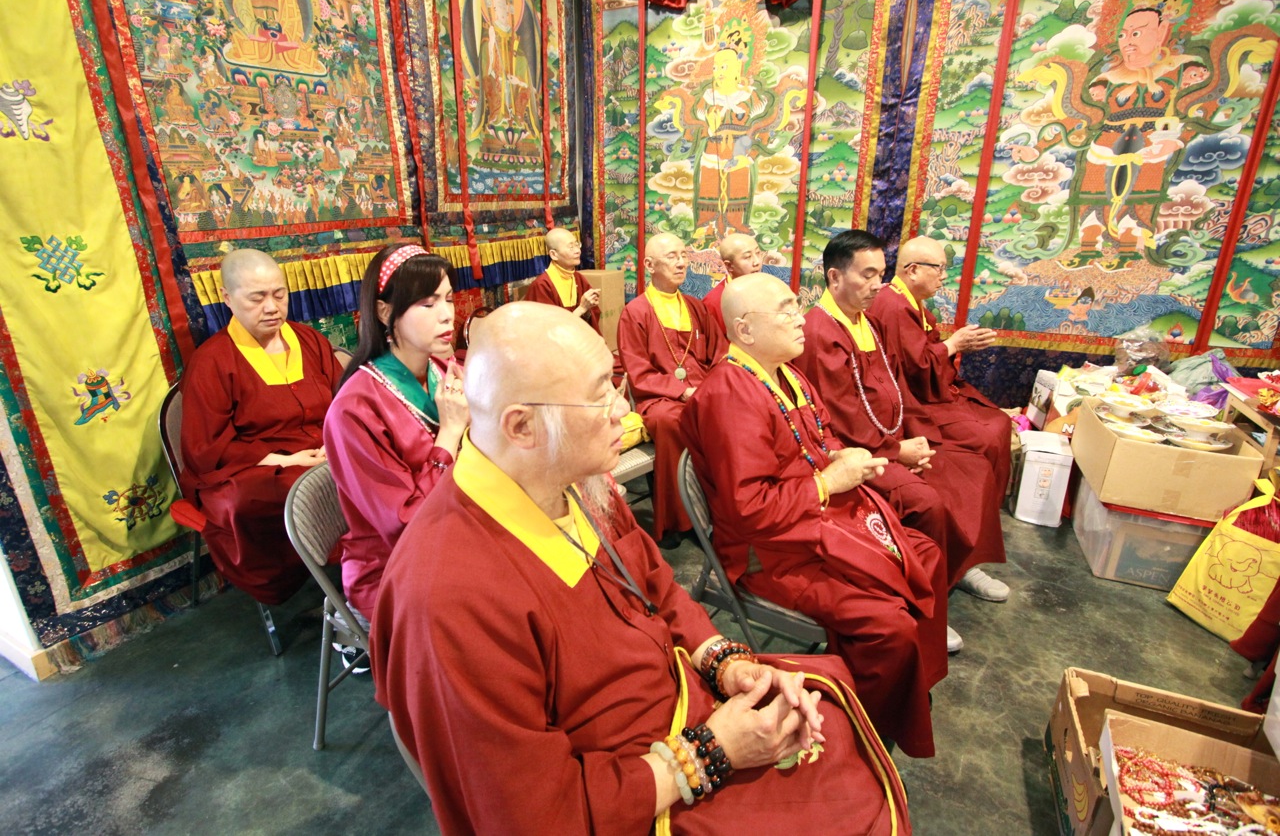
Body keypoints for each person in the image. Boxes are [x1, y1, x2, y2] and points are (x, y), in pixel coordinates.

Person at [370, 302, 912, 834]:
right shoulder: (447, 595)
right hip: (635, 784)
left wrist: (724, 664)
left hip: (678, 699)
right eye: (600, 395)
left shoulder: (569, 477)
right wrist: (711, 752)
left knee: (831, 719)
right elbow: (530, 814)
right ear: (522, 427)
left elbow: (657, 585)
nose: (623, 413)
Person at [681, 273, 948, 758]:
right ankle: (865, 733)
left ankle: (906, 691)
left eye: (796, 307)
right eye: (785, 310)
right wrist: (828, 483)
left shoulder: (786, 373)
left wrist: (844, 456)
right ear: (744, 330)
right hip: (771, 552)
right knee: (890, 626)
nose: (800, 319)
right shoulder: (729, 396)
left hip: (814, 520)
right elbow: (750, 509)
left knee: (924, 553)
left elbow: (821, 438)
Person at [794, 231, 1005, 654]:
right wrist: (897, 453)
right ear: (835, 277)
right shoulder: (822, 331)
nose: (878, 285)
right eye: (867, 275)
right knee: (928, 503)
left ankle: (957, 566)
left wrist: (912, 440)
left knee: (970, 464)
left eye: (881, 274)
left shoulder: (866, 320)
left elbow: (893, 386)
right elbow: (843, 416)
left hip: (889, 438)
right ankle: (923, 605)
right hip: (854, 452)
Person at [179, 249, 343, 605]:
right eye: (257, 298)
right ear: (226, 298)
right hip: (261, 467)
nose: (272, 307)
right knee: (270, 496)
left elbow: (344, 403)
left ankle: (367, 564)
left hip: (325, 449)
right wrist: (287, 460)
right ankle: (309, 578)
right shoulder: (212, 362)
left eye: (279, 294)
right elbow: (206, 448)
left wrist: (335, 443)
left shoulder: (310, 341)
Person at [323, 245, 469, 626]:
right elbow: (403, 525)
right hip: (396, 565)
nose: (447, 314)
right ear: (385, 312)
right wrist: (451, 433)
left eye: (449, 298)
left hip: (458, 528)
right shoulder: (354, 410)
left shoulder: (443, 369)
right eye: (428, 303)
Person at [870, 235, 1013, 603]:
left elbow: (916, 361)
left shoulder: (909, 303)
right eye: (939, 268)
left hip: (922, 394)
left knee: (997, 426)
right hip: (910, 404)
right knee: (980, 445)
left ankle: (965, 560)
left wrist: (952, 347)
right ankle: (956, 562)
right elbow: (914, 369)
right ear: (912, 270)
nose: (944, 276)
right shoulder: (891, 305)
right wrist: (953, 345)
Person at [617, 232, 726, 544]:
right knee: (672, 422)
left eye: (684, 255)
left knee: (731, 414)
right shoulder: (636, 312)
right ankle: (681, 522)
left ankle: (722, 511)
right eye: (672, 257)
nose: (681, 263)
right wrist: (682, 391)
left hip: (702, 390)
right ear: (650, 265)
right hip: (660, 398)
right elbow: (639, 371)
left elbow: (719, 355)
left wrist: (714, 388)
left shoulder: (695, 307)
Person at [523, 227, 602, 331]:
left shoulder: (579, 278)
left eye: (577, 244)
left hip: (579, 337)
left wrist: (588, 309)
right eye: (570, 247)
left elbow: (594, 313)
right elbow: (547, 329)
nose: (578, 251)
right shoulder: (542, 285)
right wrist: (581, 309)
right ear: (554, 255)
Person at [703, 232, 765, 338]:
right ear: (729, 266)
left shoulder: (767, 290)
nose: (757, 262)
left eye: (758, 253)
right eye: (747, 257)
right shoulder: (714, 302)